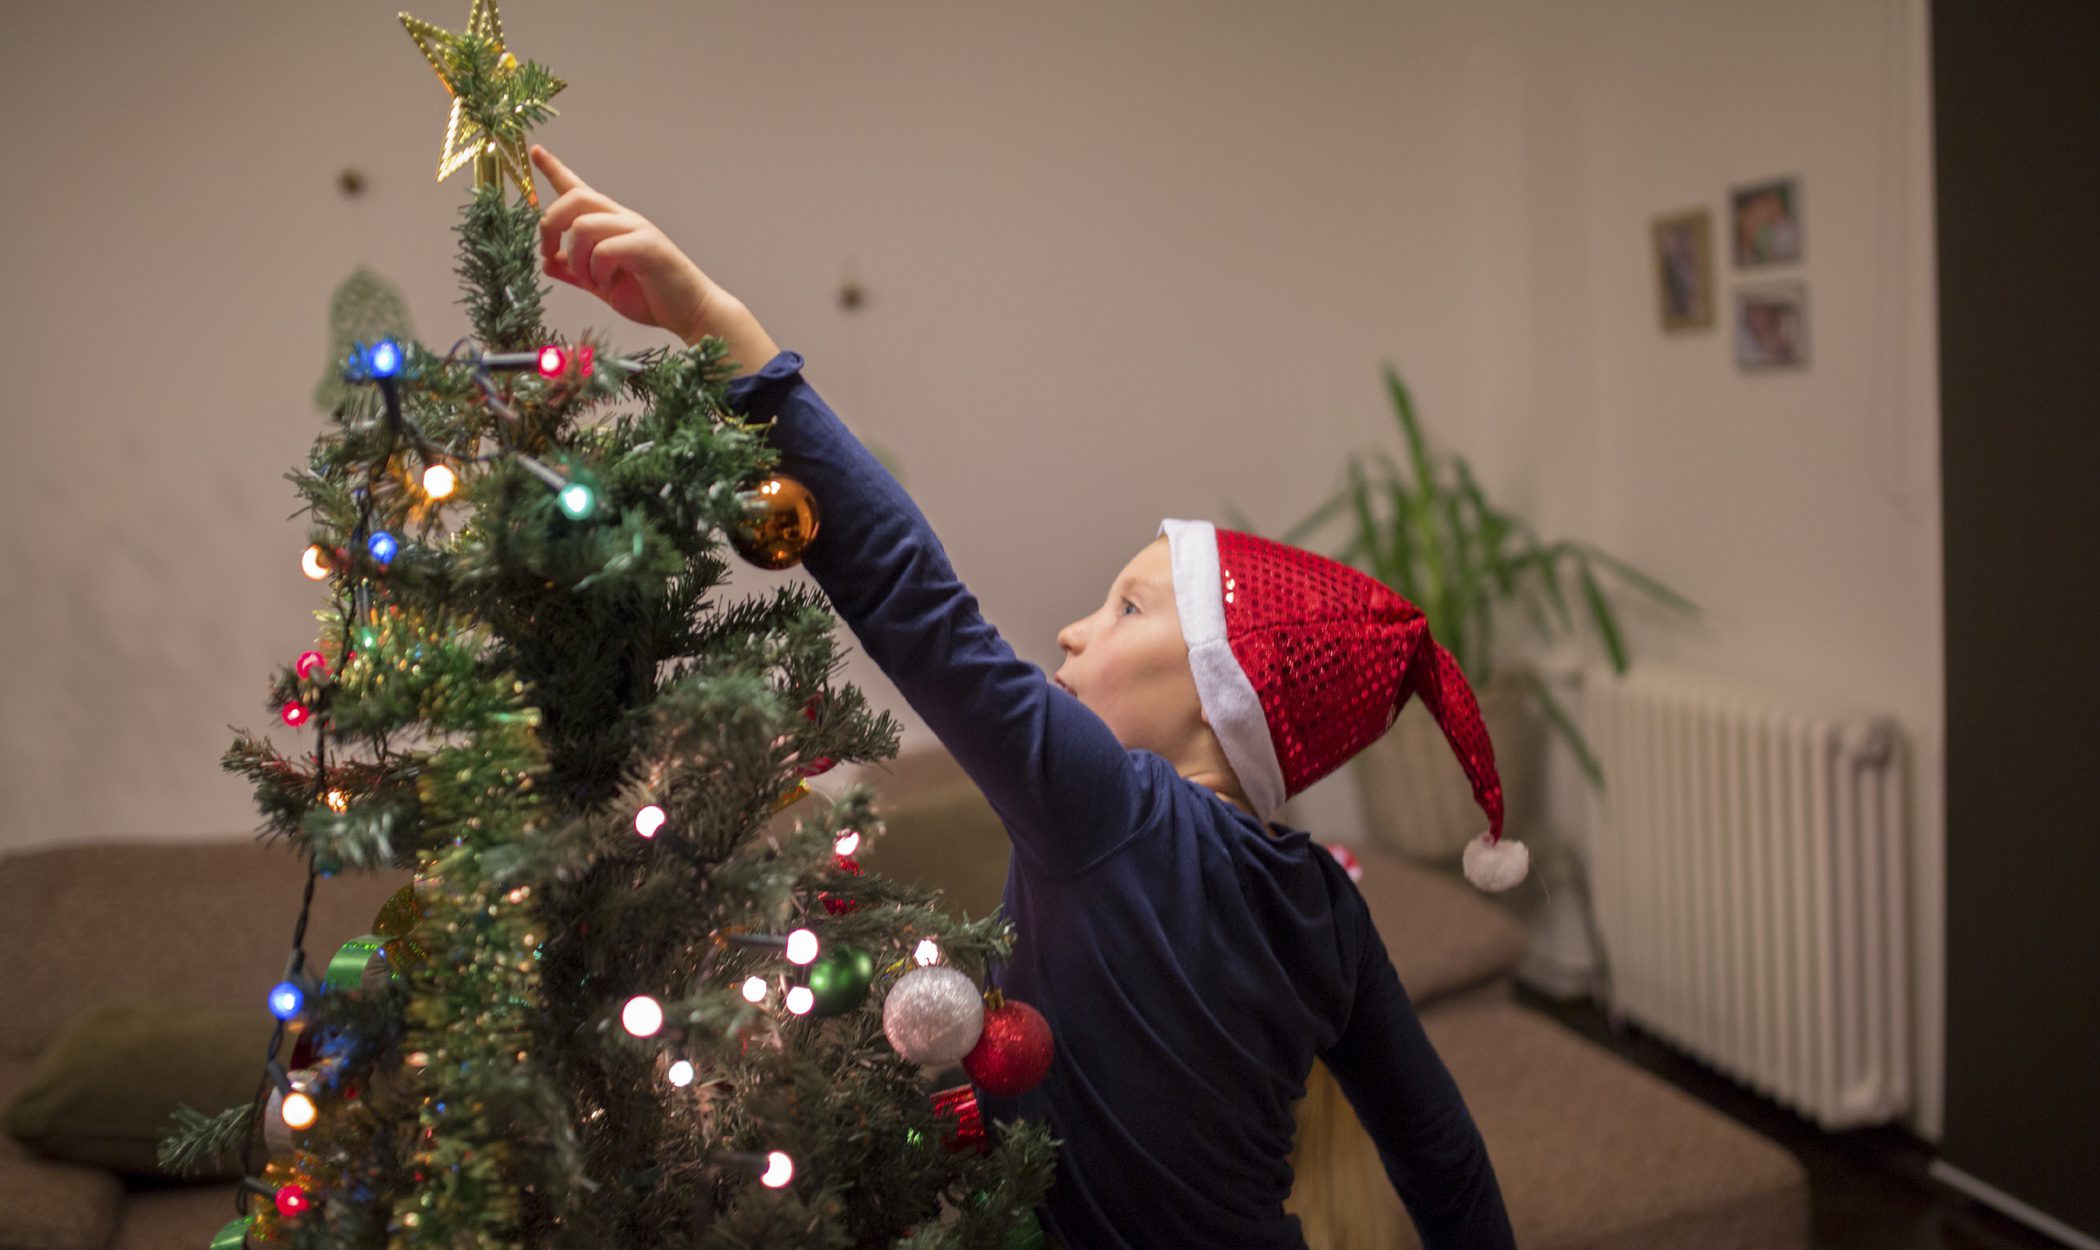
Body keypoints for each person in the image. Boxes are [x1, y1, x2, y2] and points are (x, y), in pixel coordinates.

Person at [527, 143, 1526, 1250]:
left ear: (1221, 693)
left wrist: (716, 324)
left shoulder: (1116, 810)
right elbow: (1439, 1151)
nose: (1074, 631)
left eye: (1128, 608)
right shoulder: (1327, 906)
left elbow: (915, 602)